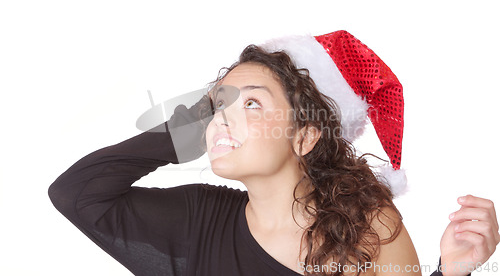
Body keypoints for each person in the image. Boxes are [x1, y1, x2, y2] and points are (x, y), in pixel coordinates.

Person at [48, 31, 499, 276]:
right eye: (219, 101)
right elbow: (75, 194)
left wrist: (452, 274)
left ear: (304, 138)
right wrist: (184, 133)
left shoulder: (371, 227)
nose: (223, 116)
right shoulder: (198, 220)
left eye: (252, 103)